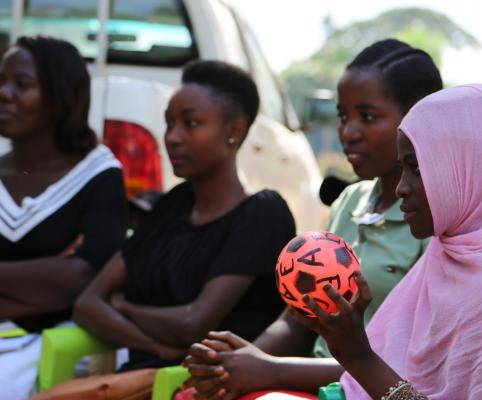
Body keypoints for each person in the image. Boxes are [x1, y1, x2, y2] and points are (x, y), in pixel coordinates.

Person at [291, 84, 482, 399]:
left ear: (471, 166)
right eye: (402, 169)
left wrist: (360, 356)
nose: (401, 189)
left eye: (418, 168)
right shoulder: (449, 254)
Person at [181, 39, 442, 399]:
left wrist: (270, 370)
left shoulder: (433, 222)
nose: (348, 133)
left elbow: (400, 368)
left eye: (368, 117)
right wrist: (242, 359)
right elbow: (296, 323)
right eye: (342, 116)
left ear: (416, 120)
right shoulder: (349, 203)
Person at [73, 60, 296, 376]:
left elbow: (193, 324)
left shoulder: (262, 213)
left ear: (234, 131)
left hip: (208, 387)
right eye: (168, 123)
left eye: (190, 124)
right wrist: (156, 348)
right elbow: (88, 303)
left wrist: (122, 306)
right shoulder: (173, 205)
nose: (173, 137)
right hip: (143, 377)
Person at [0, 35, 127, 399]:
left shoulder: (98, 174)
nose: (4, 93)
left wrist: (68, 281)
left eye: (21, 84)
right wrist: (48, 276)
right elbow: (64, 280)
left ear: (60, 96)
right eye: (2, 81)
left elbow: (86, 279)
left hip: (51, 342)